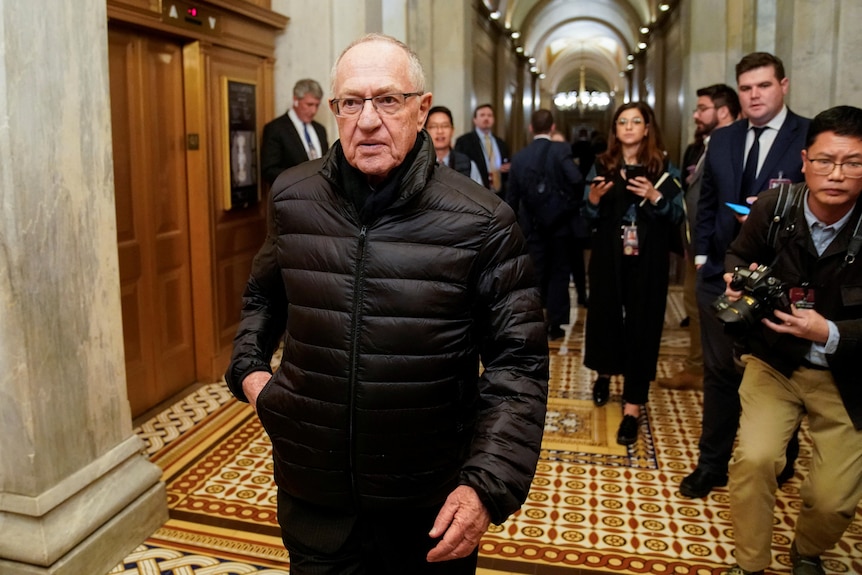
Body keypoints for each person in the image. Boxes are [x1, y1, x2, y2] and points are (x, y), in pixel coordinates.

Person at [225, 33, 549, 575]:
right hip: (314, 498)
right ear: (333, 111)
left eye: (388, 100)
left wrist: (487, 486)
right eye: (351, 102)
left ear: (422, 110)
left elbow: (518, 365)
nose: (367, 120)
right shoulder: (292, 197)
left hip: (427, 509)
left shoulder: (482, 221)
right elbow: (263, 294)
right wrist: (251, 372)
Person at [720, 105, 862, 575]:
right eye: (825, 160)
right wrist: (735, 281)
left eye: (853, 162)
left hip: (848, 378)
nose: (837, 174)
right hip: (774, 363)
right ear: (805, 160)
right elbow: (738, 256)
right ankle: (750, 564)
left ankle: (807, 550)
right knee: (754, 461)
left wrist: (831, 332)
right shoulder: (774, 208)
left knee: (833, 500)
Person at [682, 52, 811, 499]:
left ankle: (782, 455)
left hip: (781, 278)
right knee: (719, 373)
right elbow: (706, 203)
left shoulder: (807, 135)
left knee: (778, 369)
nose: (755, 95)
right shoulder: (722, 139)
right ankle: (712, 464)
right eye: (747, 88)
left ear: (783, 85)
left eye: (764, 85)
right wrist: (701, 260)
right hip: (721, 273)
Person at [582, 102, 684, 445]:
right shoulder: (602, 164)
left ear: (647, 128)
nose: (628, 127)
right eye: (622, 121)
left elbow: (678, 216)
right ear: (615, 130)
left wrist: (655, 196)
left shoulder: (664, 167)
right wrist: (594, 200)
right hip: (608, 255)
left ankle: (633, 406)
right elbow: (586, 216)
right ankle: (604, 373)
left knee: (644, 324)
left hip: (649, 257)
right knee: (604, 316)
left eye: (635, 121)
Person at [659, 83, 740, 392]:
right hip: (697, 246)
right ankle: (700, 367)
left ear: (723, 111)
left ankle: (706, 371)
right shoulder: (702, 146)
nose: (695, 115)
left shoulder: (733, 146)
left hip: (722, 247)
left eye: (702, 108)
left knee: (710, 311)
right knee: (695, 307)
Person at [507, 109, 584, 340]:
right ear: (552, 127)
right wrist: (570, 204)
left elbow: (512, 198)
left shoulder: (520, 157)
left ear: (531, 128)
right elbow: (577, 180)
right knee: (559, 274)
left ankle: (533, 321)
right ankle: (556, 325)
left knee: (534, 276)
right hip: (560, 227)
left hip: (533, 229)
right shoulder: (561, 150)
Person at [260, 78, 330, 186]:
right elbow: (269, 170)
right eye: (309, 105)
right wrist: (303, 179)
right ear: (295, 100)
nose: (314, 111)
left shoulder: (320, 130)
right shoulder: (276, 128)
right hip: (291, 197)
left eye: (317, 105)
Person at [454, 104, 511, 194]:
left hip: (499, 194)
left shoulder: (501, 143)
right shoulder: (464, 142)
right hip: (476, 193)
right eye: (482, 115)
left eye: (489, 115)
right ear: (475, 120)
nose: (486, 118)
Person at [425, 105, 483, 185]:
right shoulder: (418, 164)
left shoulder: (468, 164)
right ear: (425, 131)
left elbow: (479, 195)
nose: (440, 131)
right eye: (434, 126)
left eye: (445, 126)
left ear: (452, 130)